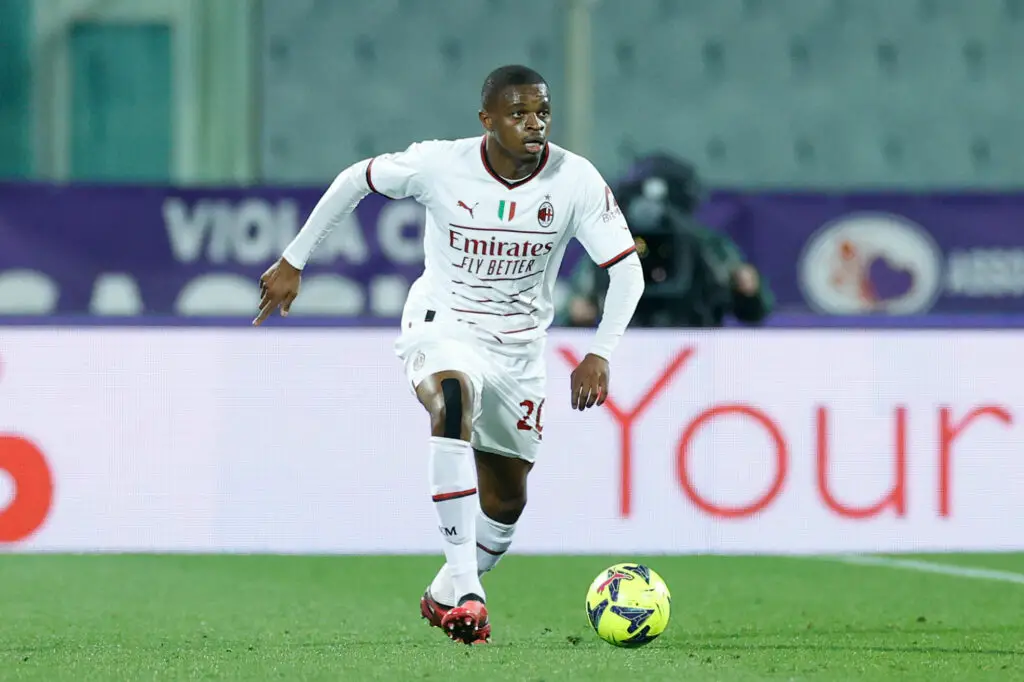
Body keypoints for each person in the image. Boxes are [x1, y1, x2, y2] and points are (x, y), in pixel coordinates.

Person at [253, 65, 645, 645]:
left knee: (506, 501)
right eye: (518, 114)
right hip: (444, 325)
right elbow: (356, 179)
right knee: (452, 399)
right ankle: (467, 591)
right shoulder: (440, 164)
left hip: (519, 352)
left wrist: (600, 354)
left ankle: (445, 591)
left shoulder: (575, 179)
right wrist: (293, 260)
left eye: (542, 113)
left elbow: (628, 272)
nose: (534, 124)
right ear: (487, 120)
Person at [563, 153, 773, 328]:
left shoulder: (705, 246)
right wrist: (577, 314)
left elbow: (754, 312)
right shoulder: (611, 249)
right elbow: (576, 309)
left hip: (695, 341)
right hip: (626, 348)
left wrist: (747, 292)